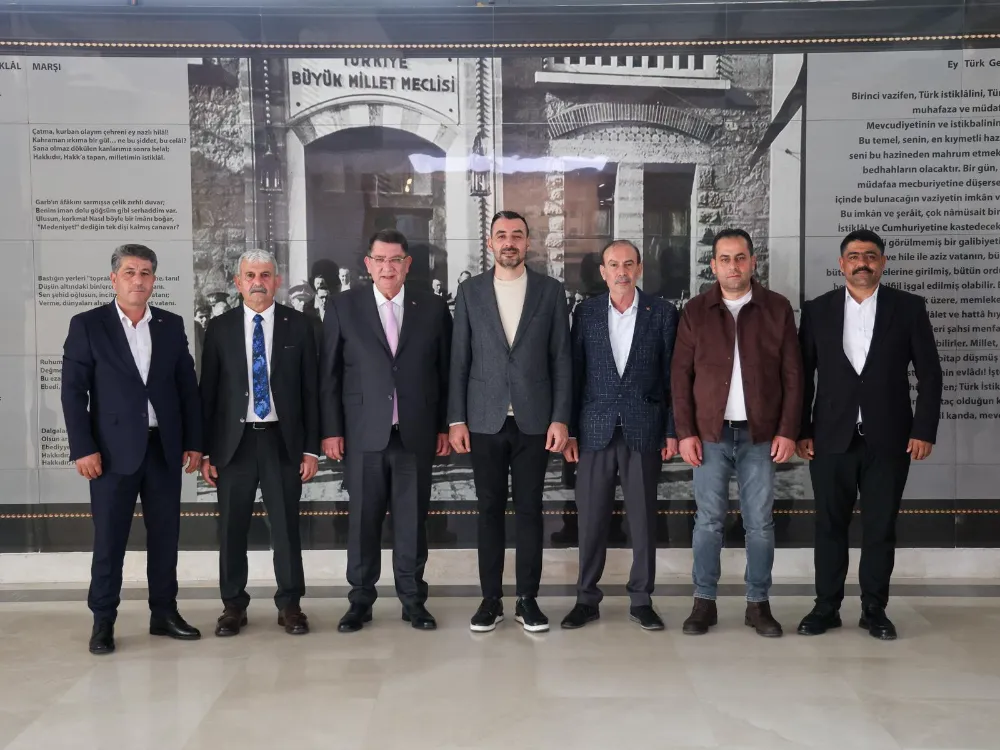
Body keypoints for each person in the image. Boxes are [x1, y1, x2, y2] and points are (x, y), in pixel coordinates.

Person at [796, 229, 942, 640]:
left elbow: (930, 374)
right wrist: (802, 429)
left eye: (871, 255)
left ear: (882, 262)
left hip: (890, 438)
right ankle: (826, 608)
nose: (863, 262)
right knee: (829, 526)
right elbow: (802, 375)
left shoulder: (908, 308)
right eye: (855, 256)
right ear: (842, 264)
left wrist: (923, 429)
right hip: (830, 438)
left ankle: (874, 609)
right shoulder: (818, 310)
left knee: (880, 527)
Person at [61, 243, 203, 655]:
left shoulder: (171, 324)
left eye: (145, 273)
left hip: (164, 449)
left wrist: (195, 442)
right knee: (109, 540)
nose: (138, 280)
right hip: (110, 454)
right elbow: (73, 392)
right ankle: (103, 621)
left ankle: (164, 614)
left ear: (154, 280)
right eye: (129, 272)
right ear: (114, 279)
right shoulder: (89, 325)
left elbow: (187, 388)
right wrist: (83, 448)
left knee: (165, 537)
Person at [671, 229, 802, 637]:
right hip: (709, 435)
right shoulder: (696, 311)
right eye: (725, 259)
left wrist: (788, 430)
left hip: (760, 436)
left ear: (753, 262)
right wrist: (686, 432)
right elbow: (680, 377)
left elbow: (794, 376)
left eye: (740, 258)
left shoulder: (777, 309)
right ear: (713, 265)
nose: (733, 266)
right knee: (708, 521)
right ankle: (703, 603)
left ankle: (758, 604)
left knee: (759, 523)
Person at [321, 229, 453, 632]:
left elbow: (445, 373)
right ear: (368, 264)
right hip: (363, 434)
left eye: (395, 259)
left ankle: (413, 600)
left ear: (407, 264)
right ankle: (360, 601)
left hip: (416, 433)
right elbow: (329, 375)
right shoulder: (343, 306)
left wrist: (444, 426)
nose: (387, 267)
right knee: (363, 522)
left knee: (412, 522)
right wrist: (331, 430)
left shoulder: (432, 308)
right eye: (379, 259)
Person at [448, 210, 572, 633]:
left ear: (527, 243)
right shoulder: (470, 291)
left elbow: (561, 360)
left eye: (517, 235)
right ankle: (490, 601)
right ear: (490, 243)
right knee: (488, 510)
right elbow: (459, 360)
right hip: (484, 420)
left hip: (535, 420)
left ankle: (527, 600)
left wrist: (561, 418)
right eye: (501, 235)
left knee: (530, 511)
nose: (509, 242)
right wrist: (456, 419)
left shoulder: (550, 292)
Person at [199, 249, 320, 637]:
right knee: (232, 530)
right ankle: (233, 606)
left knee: (285, 528)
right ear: (238, 283)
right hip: (233, 446)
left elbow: (311, 391)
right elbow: (208, 393)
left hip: (282, 442)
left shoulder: (299, 326)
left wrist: (310, 448)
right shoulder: (220, 328)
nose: (258, 282)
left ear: (277, 281)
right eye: (250, 276)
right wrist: (206, 451)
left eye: (265, 275)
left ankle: (290, 605)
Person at [560, 240, 678, 631]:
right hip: (594, 430)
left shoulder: (662, 313)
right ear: (603, 272)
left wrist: (672, 430)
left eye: (629, 264)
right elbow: (574, 375)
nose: (622, 271)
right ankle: (586, 599)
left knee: (643, 521)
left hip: (644, 428)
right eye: (614, 265)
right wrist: (570, 430)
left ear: (639, 268)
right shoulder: (586, 312)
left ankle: (642, 599)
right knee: (591, 520)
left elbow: (673, 378)